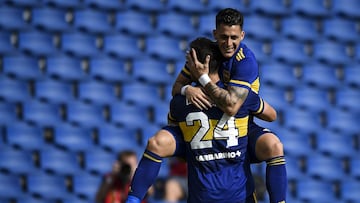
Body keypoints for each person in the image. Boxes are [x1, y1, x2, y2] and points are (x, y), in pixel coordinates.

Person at [126, 37, 277, 203]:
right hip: (239, 194)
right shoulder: (241, 98)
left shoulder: (180, 103)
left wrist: (185, 89)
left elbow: (177, 139)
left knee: (157, 142)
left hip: (202, 194)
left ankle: (132, 200)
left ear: (194, 65)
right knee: (274, 145)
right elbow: (271, 115)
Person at [175, 8, 287, 203]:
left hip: (242, 125)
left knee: (274, 145)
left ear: (242, 35)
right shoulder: (205, 55)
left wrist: (202, 79)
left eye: (234, 37)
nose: (229, 43)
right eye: (224, 37)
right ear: (215, 34)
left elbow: (232, 107)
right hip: (211, 127)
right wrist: (187, 90)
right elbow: (176, 86)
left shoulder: (246, 62)